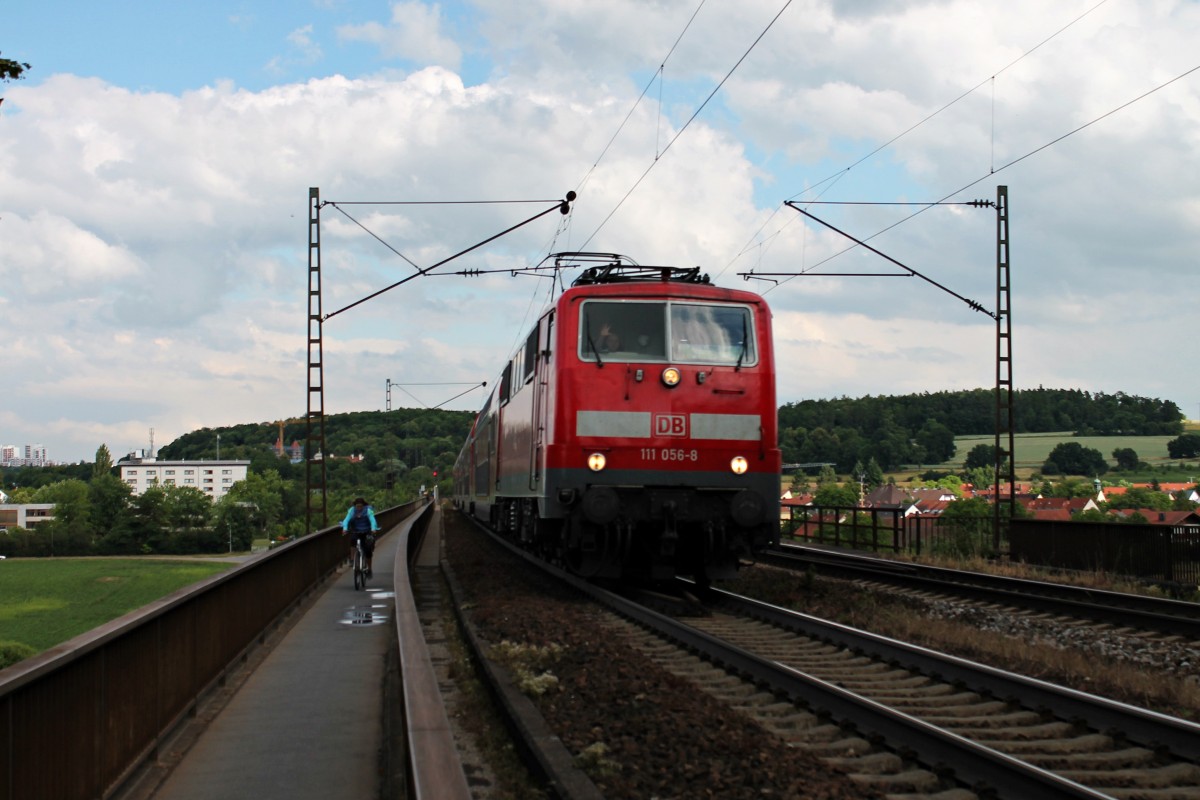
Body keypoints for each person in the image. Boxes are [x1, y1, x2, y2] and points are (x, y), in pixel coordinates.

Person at [341, 497, 379, 577]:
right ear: (355, 506)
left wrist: (373, 529)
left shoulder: (368, 510)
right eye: (357, 506)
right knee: (353, 541)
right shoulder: (352, 511)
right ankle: (352, 559)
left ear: (363, 506)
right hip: (356, 531)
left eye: (360, 506)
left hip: (366, 531)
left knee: (368, 551)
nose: (359, 508)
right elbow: (346, 520)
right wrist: (345, 529)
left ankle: (369, 569)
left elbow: (372, 520)